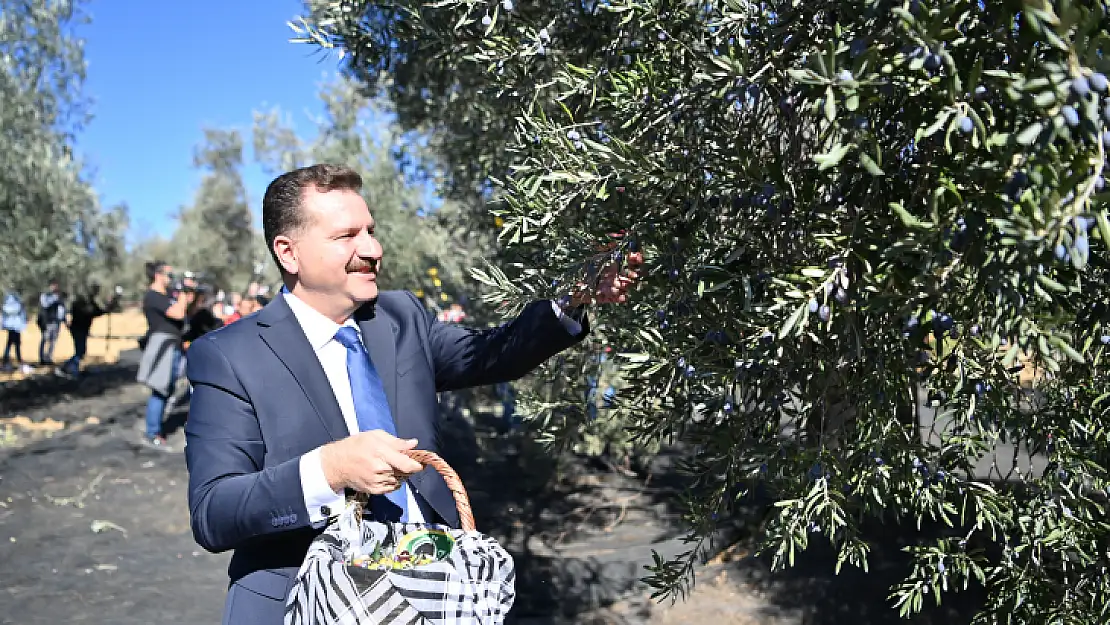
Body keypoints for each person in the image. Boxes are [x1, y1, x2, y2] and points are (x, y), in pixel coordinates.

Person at [184, 164, 640, 625]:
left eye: (371, 231)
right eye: (347, 236)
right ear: (289, 252)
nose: (373, 249)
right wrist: (330, 470)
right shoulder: (230, 355)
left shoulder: (399, 317)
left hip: (430, 596)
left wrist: (574, 299)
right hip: (304, 605)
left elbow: (491, 355)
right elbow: (214, 512)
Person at [136, 261, 191, 449]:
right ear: (158, 275)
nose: (171, 278)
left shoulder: (165, 295)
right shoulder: (153, 296)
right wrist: (183, 293)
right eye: (169, 275)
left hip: (171, 344)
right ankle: (152, 433)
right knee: (160, 389)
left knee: (167, 388)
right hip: (163, 345)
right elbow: (177, 313)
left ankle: (155, 427)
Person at [59, 284, 120, 377]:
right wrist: (110, 305)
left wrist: (112, 304)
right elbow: (95, 312)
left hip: (79, 329)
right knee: (80, 351)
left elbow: (98, 312)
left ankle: (70, 369)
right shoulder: (84, 304)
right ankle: (67, 369)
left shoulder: (85, 303)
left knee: (80, 351)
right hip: (79, 329)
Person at [1, 291, 33, 374]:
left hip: (12, 326)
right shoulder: (16, 303)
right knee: (16, 344)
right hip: (15, 326)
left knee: (10, 344)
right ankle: (17, 362)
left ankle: (7, 361)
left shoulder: (7, 302)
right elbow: (19, 313)